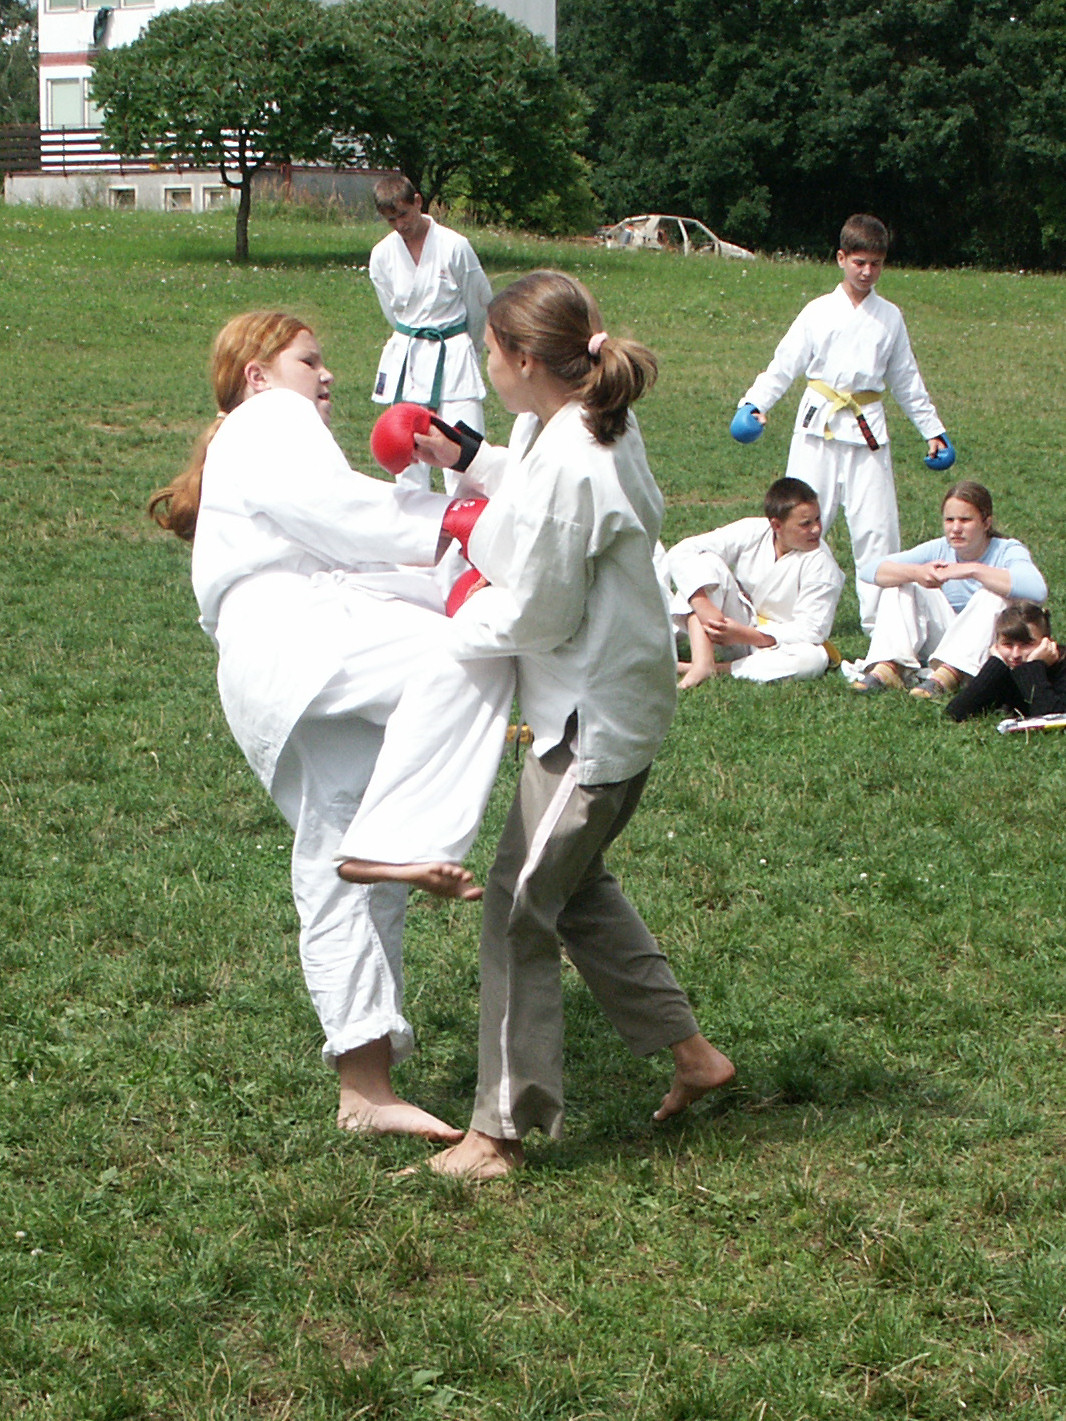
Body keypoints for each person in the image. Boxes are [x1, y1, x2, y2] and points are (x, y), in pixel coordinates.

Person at [343, 271, 735, 1180]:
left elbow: (538, 613)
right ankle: (693, 1054)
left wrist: (448, 619)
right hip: (615, 704)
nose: (485, 363)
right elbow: (530, 493)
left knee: (519, 907)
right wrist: (468, 457)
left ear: (524, 359)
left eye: (490, 350)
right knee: (573, 885)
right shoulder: (586, 420)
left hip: (592, 729)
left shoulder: (574, 461)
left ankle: (498, 1133)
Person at [148, 311, 513, 1141]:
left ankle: (365, 1085)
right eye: (310, 359)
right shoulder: (267, 419)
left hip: (275, 668)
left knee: (338, 858)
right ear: (257, 374)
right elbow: (340, 512)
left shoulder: (248, 444)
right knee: (472, 654)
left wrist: (442, 530)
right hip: (303, 638)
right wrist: (453, 527)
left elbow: (347, 541)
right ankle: (418, 833)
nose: (327, 376)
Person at [736, 213, 950, 632]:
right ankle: (780, 612)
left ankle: (882, 624)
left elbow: (907, 380)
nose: (867, 272)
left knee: (877, 530)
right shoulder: (817, 312)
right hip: (817, 430)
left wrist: (933, 430)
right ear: (841, 258)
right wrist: (754, 403)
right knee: (799, 522)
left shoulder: (890, 317)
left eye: (876, 264)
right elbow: (784, 364)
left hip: (867, 433)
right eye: (859, 262)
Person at [848, 480, 1047, 698]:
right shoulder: (939, 548)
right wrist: (916, 572)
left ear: (986, 522)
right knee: (900, 583)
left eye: (965, 520)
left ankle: (950, 674)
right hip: (946, 636)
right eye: (949, 520)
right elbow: (870, 570)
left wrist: (972, 570)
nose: (956, 528)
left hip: (990, 643)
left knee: (992, 595)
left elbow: (1037, 590)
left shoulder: (1007, 550)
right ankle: (890, 667)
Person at [369, 174, 493, 493]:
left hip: (454, 351)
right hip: (409, 355)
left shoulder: (454, 246)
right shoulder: (382, 255)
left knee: (463, 446)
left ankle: (468, 517)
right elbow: (392, 312)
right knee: (406, 453)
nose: (400, 225)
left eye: (404, 214)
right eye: (391, 220)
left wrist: (470, 347)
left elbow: (479, 303)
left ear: (418, 202)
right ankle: (413, 520)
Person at [667, 477, 845, 688]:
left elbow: (812, 630)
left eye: (817, 519)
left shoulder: (821, 562)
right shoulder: (753, 530)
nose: (816, 529)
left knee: (813, 658)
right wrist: (702, 604)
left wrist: (744, 635)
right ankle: (702, 661)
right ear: (776, 525)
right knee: (705, 563)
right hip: (732, 621)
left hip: (776, 643)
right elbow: (682, 551)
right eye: (806, 524)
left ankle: (716, 668)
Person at [945, 602, 1065, 722]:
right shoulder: (1002, 670)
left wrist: (1033, 669)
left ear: (1047, 643)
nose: (1015, 654)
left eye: (1026, 644)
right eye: (1008, 645)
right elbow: (956, 712)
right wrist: (995, 665)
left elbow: (1053, 719)